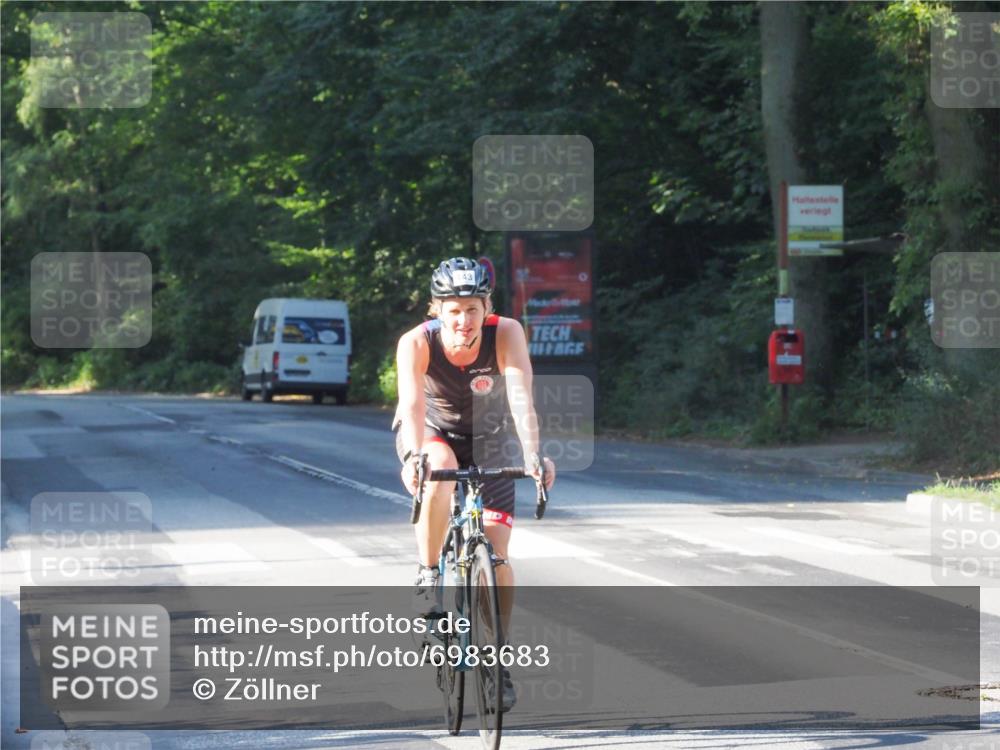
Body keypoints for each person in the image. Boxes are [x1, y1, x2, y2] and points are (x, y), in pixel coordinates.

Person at [394, 257, 556, 711]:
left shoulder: (506, 333)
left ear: (487, 307)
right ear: (436, 311)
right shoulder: (416, 342)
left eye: (472, 308)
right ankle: (428, 573)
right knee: (438, 464)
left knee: (499, 555)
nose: (463, 320)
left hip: (491, 437)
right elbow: (410, 407)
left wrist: (533, 456)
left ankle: (496, 653)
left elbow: (522, 397)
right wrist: (412, 457)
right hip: (434, 433)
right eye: (453, 310)